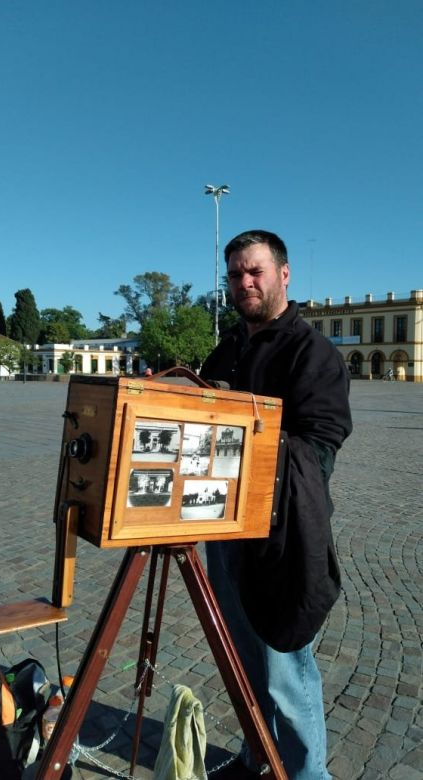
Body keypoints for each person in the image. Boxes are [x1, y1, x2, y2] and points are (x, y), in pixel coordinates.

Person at [200, 230, 352, 779]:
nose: (244, 282)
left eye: (255, 271)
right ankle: (259, 756)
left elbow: (323, 441)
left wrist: (257, 448)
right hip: (221, 527)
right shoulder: (228, 348)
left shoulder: (313, 352)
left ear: (283, 275)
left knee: (285, 665)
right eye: (236, 274)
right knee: (242, 654)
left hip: (282, 533)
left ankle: (307, 773)